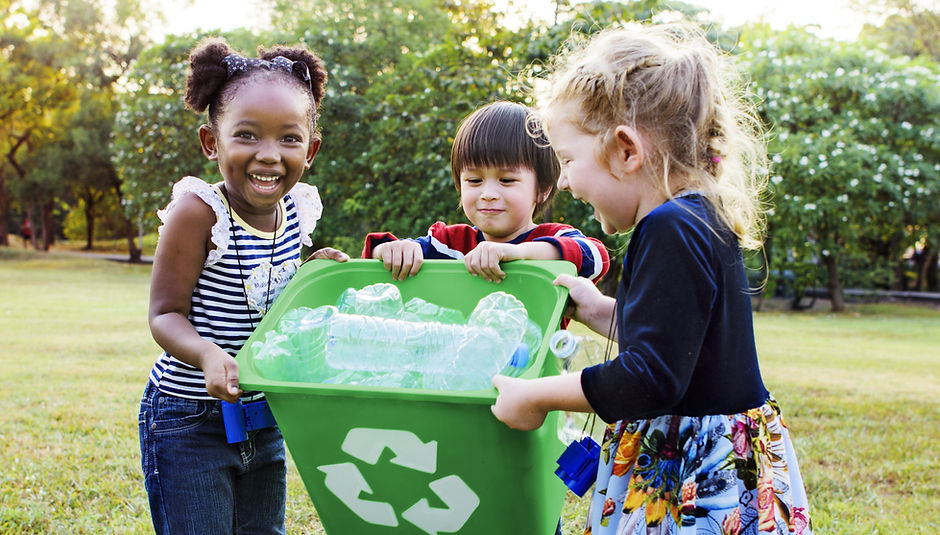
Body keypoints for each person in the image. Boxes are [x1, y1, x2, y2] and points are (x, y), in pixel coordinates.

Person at [491, 25, 813, 535]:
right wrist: (597, 308)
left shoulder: (667, 226)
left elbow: (651, 376)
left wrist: (537, 395)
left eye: (570, 160)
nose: (567, 180)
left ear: (625, 150)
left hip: (692, 471)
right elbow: (680, 342)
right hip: (723, 454)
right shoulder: (700, 215)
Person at [139, 37, 348, 535]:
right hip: (189, 418)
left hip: (263, 412)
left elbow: (271, 293)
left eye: (289, 139)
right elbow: (164, 315)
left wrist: (314, 272)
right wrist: (209, 355)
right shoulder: (198, 212)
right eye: (248, 135)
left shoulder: (298, 210)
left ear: (311, 149)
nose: (269, 156)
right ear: (213, 142)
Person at [362, 100, 610, 285]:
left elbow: (597, 257)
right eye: (474, 180)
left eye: (506, 179)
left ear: (543, 189)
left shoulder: (552, 238)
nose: (488, 193)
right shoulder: (450, 245)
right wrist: (392, 251)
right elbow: (376, 255)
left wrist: (518, 253)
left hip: (536, 356)